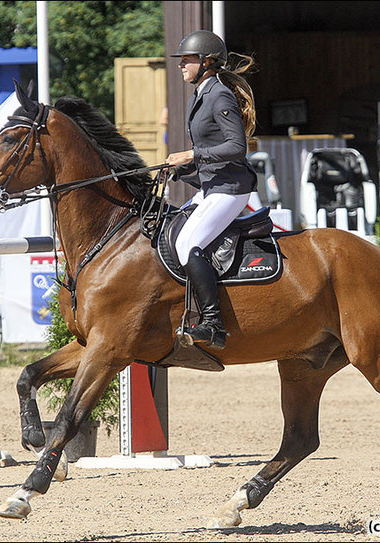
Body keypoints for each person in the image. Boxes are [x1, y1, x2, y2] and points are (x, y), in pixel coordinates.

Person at [166, 30, 257, 349]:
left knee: (189, 244)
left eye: (187, 60)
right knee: (173, 234)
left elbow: (237, 146)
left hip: (231, 189)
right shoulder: (201, 94)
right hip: (213, 185)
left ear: (207, 62)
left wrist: (192, 154)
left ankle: (213, 324)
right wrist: (184, 170)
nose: (181, 65)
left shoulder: (218, 95)